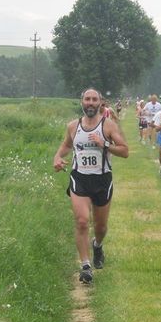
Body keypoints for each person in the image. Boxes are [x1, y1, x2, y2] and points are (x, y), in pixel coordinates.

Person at [53, 88, 129, 284]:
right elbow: (66, 145)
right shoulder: (73, 126)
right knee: (81, 221)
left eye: (94, 99)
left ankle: (97, 245)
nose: (90, 103)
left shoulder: (108, 126)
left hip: (102, 180)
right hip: (80, 179)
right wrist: (57, 157)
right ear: (82, 102)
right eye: (87, 99)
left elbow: (124, 151)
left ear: (100, 103)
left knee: (101, 227)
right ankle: (86, 266)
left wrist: (104, 144)